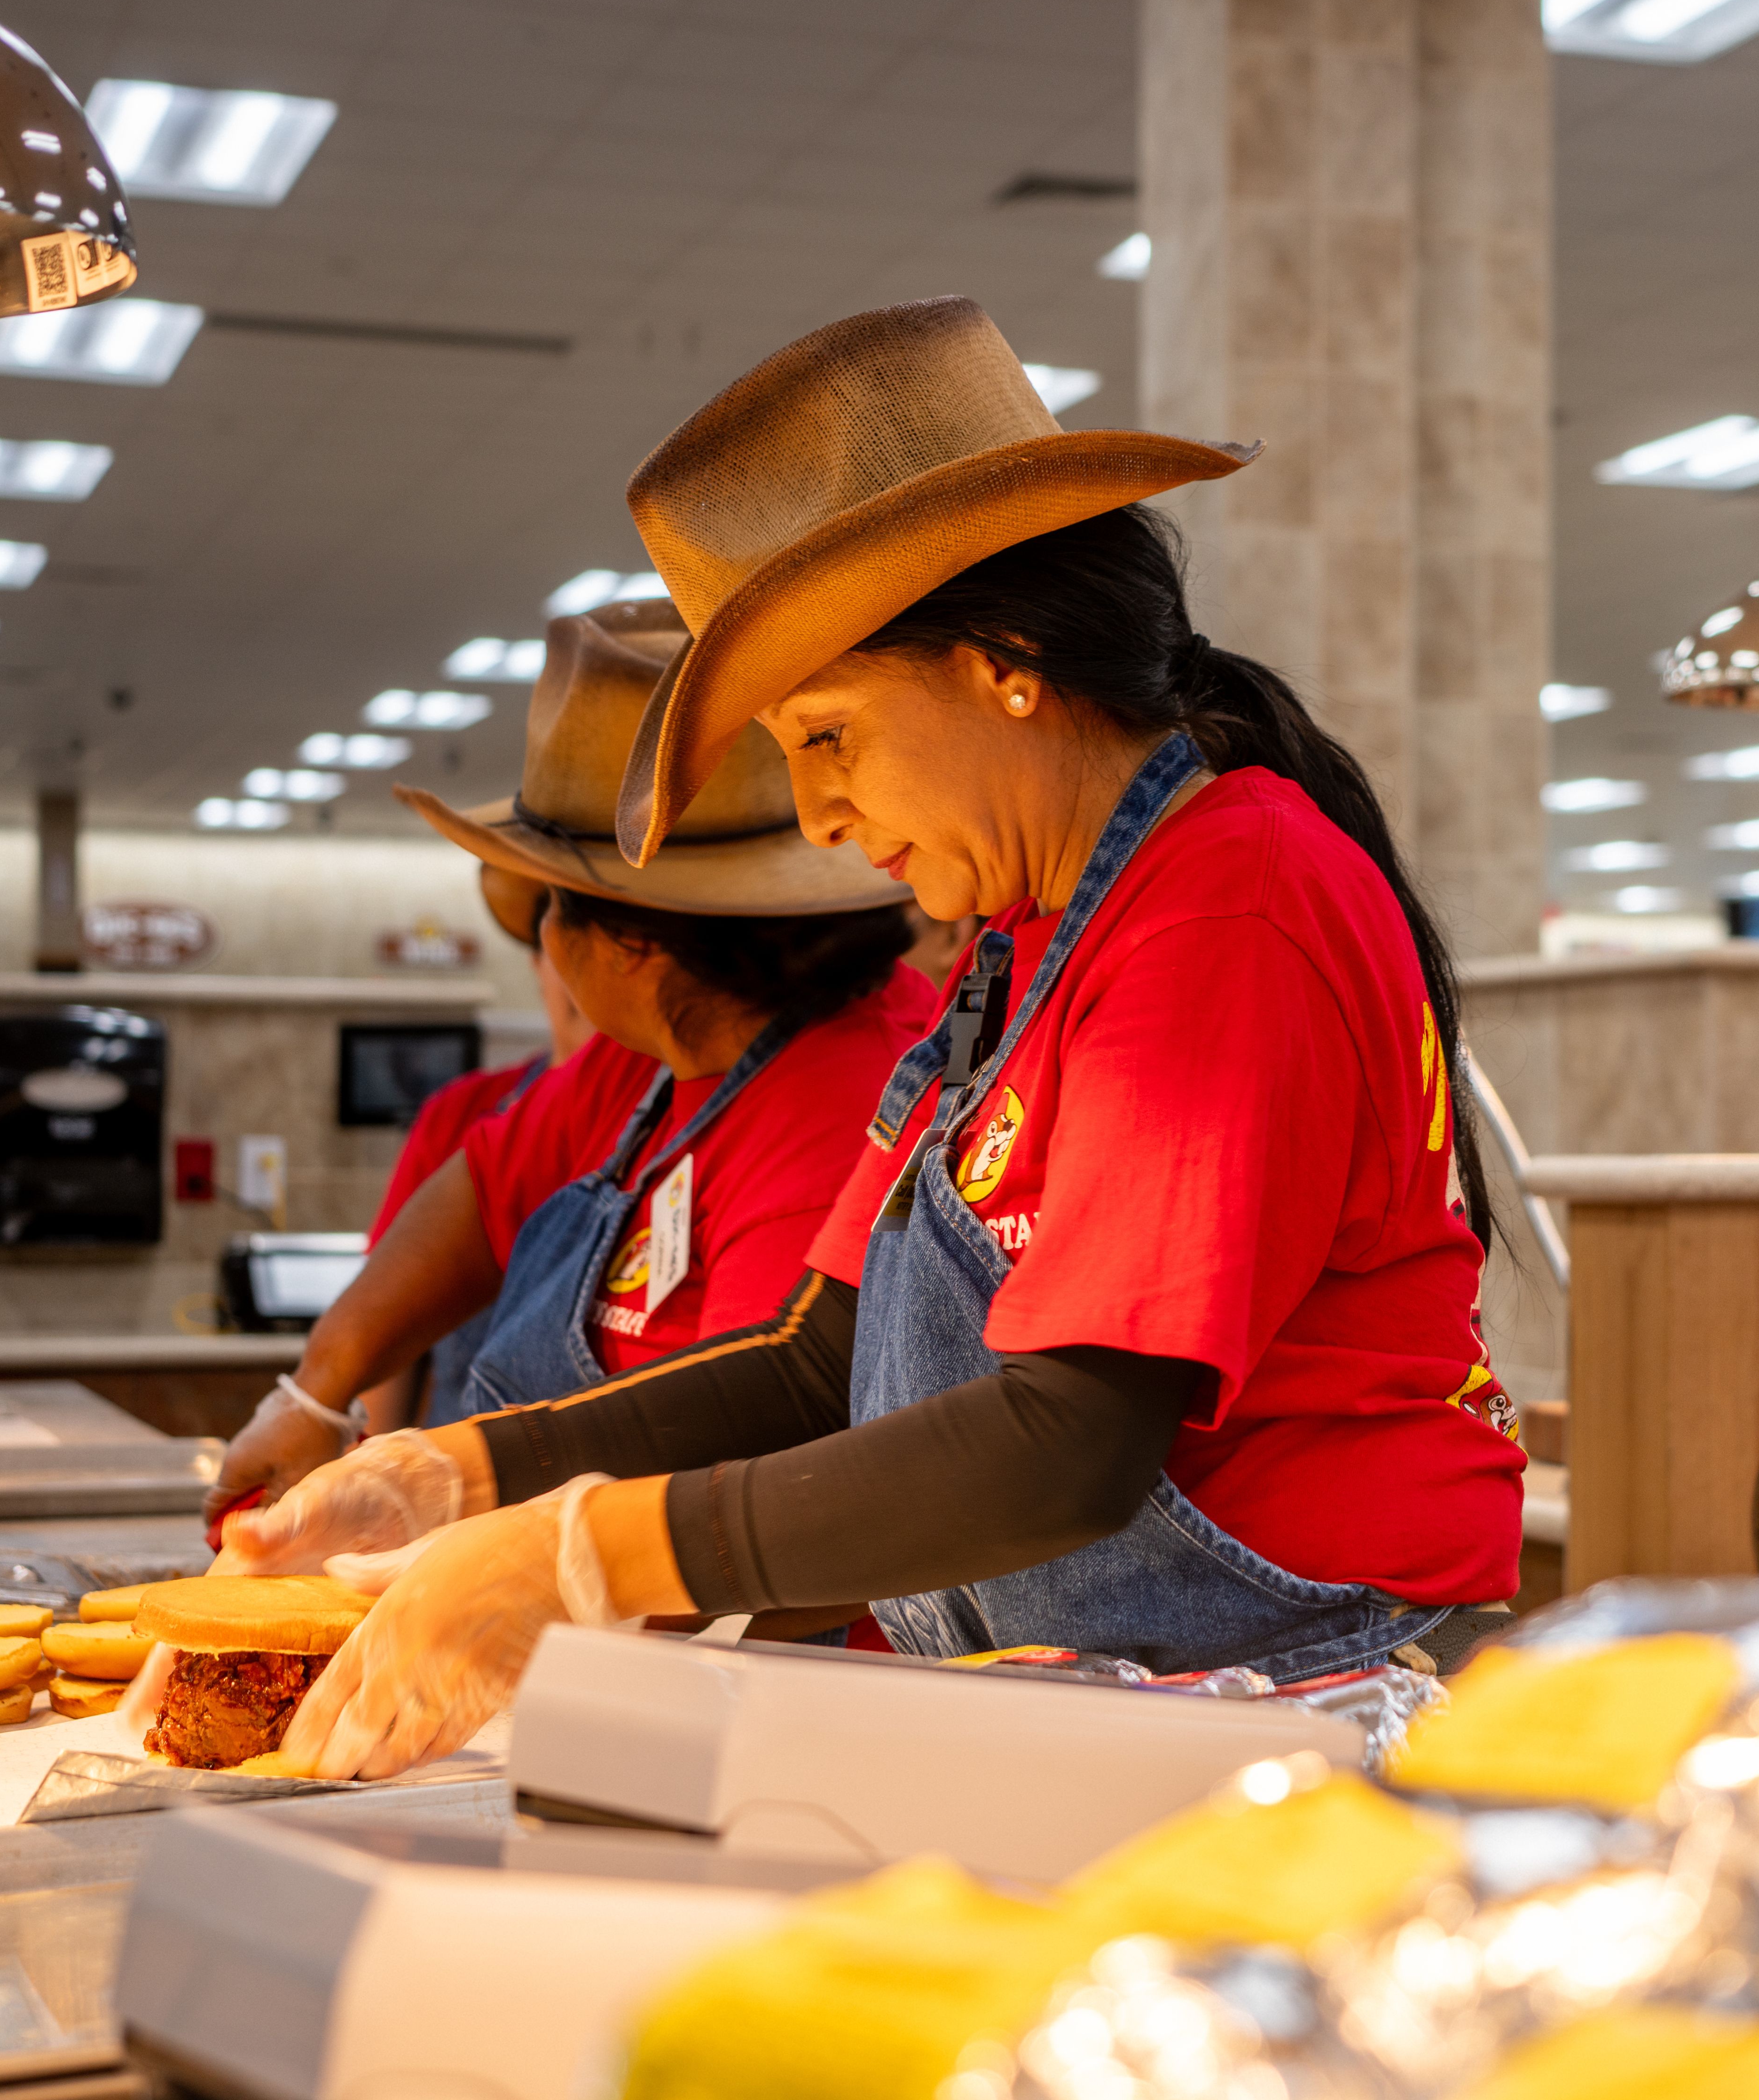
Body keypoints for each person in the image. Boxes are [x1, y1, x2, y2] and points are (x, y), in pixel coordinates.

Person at [219, 297, 1528, 1776]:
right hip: (1102, 1689)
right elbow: (820, 1357)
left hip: (1291, 1701)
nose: (824, 818)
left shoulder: (1227, 904)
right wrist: (461, 1471)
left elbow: (1072, 1439)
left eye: (826, 733)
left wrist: (588, 1558)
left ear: (1006, 658)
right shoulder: (1023, 943)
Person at [197, 603, 928, 1536]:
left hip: (742, 1652)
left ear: (626, 941)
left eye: (547, 909)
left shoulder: (837, 1109)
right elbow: (480, 1192)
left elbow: (754, 1468)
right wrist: (315, 1392)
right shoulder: (648, 1062)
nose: (541, 943)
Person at [346, 883, 611, 1436]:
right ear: (541, 959)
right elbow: (390, 1325)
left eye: (612, 941)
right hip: (452, 1477)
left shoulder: (677, 1112)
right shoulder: (459, 1115)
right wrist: (364, 1464)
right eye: (566, 941)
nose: (587, 971)